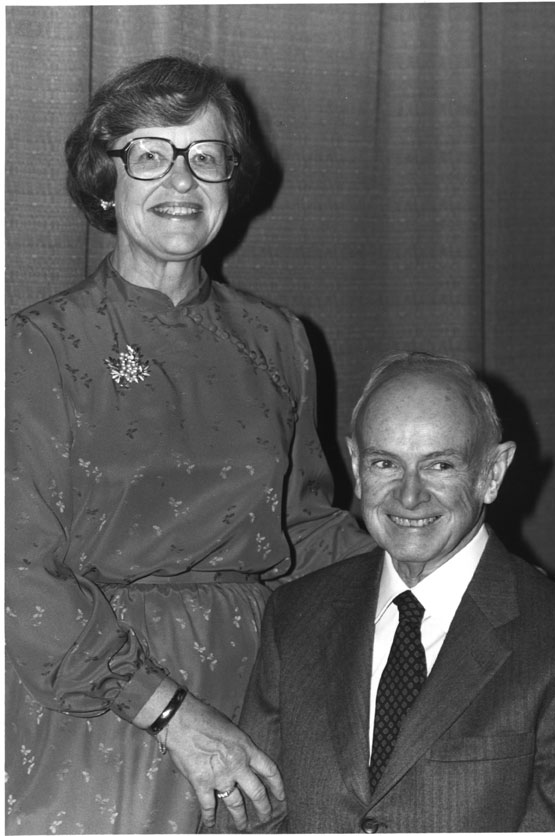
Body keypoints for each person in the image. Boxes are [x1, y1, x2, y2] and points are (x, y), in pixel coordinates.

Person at [5, 55, 373, 835]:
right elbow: (15, 571)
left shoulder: (278, 341)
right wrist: (170, 714)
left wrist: (451, 572)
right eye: (150, 154)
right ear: (107, 180)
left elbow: (302, 528)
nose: (182, 180)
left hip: (262, 688)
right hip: (108, 704)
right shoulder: (38, 345)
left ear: (230, 182)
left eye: (205, 157)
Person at [233, 351, 555, 833]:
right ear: (358, 468)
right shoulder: (294, 616)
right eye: (386, 463)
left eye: (440, 465)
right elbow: (254, 818)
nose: (409, 496)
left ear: (492, 473)